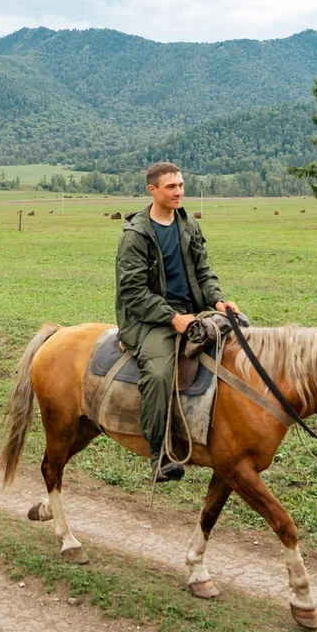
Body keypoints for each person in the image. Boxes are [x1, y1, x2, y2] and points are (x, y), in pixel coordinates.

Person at [115, 162, 238, 482]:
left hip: (193, 310)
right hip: (150, 319)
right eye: (171, 187)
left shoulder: (188, 225)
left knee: (242, 339)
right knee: (157, 373)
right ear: (152, 190)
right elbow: (132, 292)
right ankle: (159, 452)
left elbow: (203, 271)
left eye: (181, 185)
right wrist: (172, 318)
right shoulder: (136, 234)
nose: (179, 191)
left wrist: (218, 300)